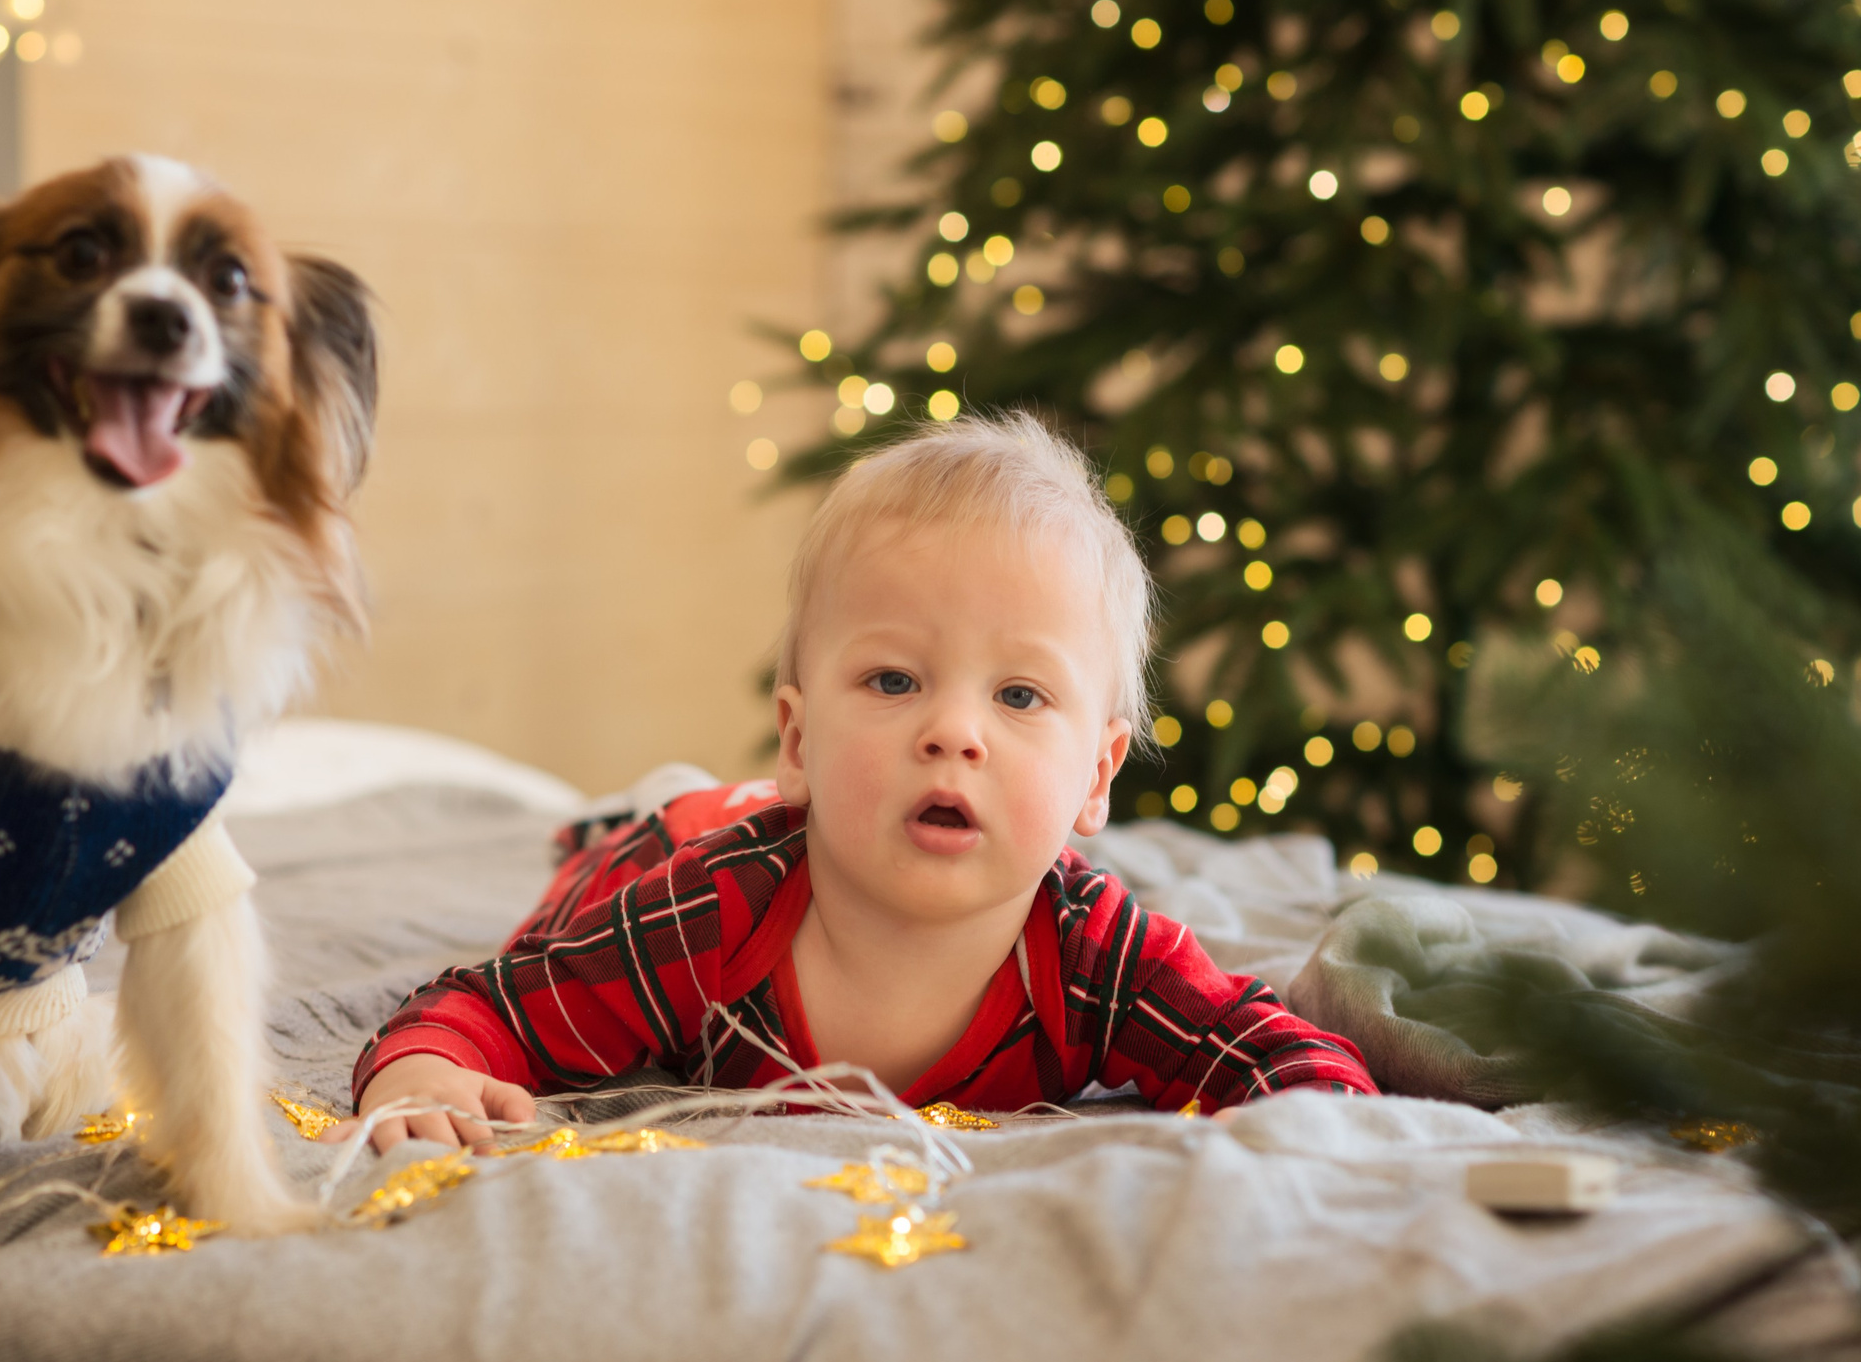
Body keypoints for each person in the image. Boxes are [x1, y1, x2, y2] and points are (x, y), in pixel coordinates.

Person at [345, 413, 1376, 1152]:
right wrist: (423, 1072)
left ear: (1096, 777)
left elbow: (1280, 1058)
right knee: (634, 843)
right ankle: (643, 807)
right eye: (893, 680)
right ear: (797, 738)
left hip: (773, 816)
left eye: (1020, 695)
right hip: (682, 842)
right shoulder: (707, 912)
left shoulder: (1091, 952)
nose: (953, 732)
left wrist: (1305, 1134)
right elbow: (490, 1005)